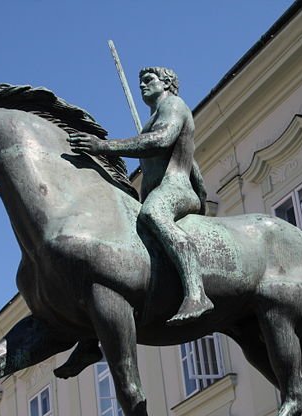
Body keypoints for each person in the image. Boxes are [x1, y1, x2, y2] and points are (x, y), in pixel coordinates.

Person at [69, 66, 213, 325]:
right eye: (140, 82)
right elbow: (194, 165)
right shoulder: (152, 118)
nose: (142, 86)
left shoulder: (174, 105)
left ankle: (197, 293)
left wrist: (104, 147)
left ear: (166, 82)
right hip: (158, 192)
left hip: (175, 189)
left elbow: (161, 140)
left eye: (149, 80)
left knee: (153, 213)